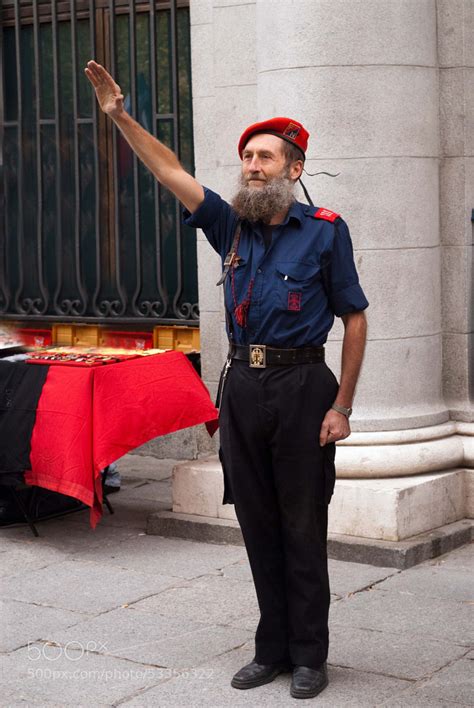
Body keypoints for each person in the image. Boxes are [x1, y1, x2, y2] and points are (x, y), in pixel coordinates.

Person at [85, 60, 368, 700]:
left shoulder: (324, 233)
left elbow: (354, 319)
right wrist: (121, 117)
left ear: (294, 168)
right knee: (258, 523)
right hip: (243, 388)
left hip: (303, 391)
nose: (251, 166)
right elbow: (169, 172)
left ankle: (310, 656)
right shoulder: (229, 225)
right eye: (245, 157)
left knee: (302, 524)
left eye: (265, 157)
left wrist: (342, 405)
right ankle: (271, 648)